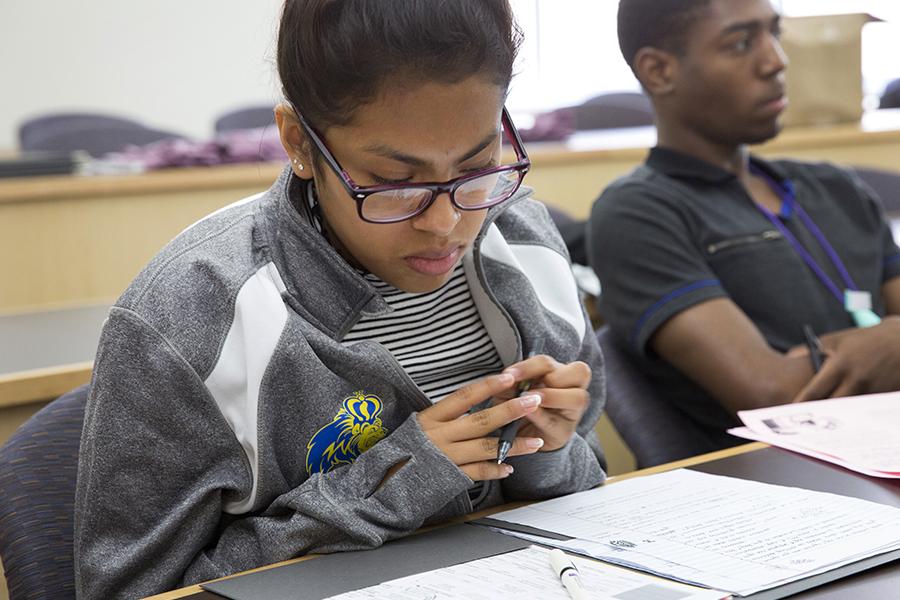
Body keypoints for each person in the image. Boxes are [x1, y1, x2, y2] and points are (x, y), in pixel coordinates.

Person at [74, 1, 607, 598]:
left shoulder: (524, 241)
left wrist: (544, 449)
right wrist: (397, 479)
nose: (446, 222)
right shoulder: (190, 316)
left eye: (477, 167)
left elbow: (582, 493)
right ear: (299, 142)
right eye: (394, 183)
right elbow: (129, 590)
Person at [588, 0, 900, 455]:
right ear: (659, 71)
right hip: (782, 489)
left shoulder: (836, 187)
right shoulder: (637, 213)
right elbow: (772, 397)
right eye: (740, 43)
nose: (776, 60)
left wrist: (888, 345)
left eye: (774, 33)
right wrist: (888, 341)